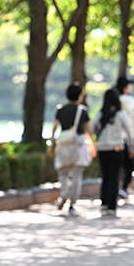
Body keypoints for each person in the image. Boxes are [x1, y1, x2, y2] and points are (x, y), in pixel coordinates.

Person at [47, 82, 96, 217]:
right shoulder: (83, 111)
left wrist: (50, 145)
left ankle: (63, 194)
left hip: (63, 145)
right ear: (80, 95)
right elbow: (88, 131)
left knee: (63, 173)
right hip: (78, 146)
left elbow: (54, 128)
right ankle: (72, 204)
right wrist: (92, 146)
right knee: (77, 175)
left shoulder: (60, 109)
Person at [93, 89, 134, 216]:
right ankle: (112, 205)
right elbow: (129, 132)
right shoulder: (121, 114)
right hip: (117, 148)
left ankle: (104, 203)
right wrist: (131, 147)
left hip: (102, 149)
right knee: (114, 177)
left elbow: (92, 128)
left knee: (105, 176)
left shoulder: (100, 113)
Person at [116, 76, 134, 199]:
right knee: (128, 166)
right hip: (127, 138)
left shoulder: (113, 99)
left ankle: (115, 188)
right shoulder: (132, 101)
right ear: (126, 87)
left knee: (116, 166)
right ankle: (124, 187)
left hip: (113, 139)